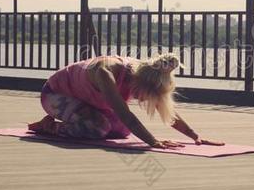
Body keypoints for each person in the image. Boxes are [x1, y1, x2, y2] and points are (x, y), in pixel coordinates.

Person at [28, 53, 224, 149]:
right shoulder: (106, 72)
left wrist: (195, 136)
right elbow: (126, 114)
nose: (144, 100)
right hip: (56, 94)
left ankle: (77, 119)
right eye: (146, 95)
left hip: (88, 101)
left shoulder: (146, 75)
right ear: (140, 84)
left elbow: (168, 112)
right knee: (97, 128)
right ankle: (50, 126)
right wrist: (152, 141)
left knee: (122, 131)